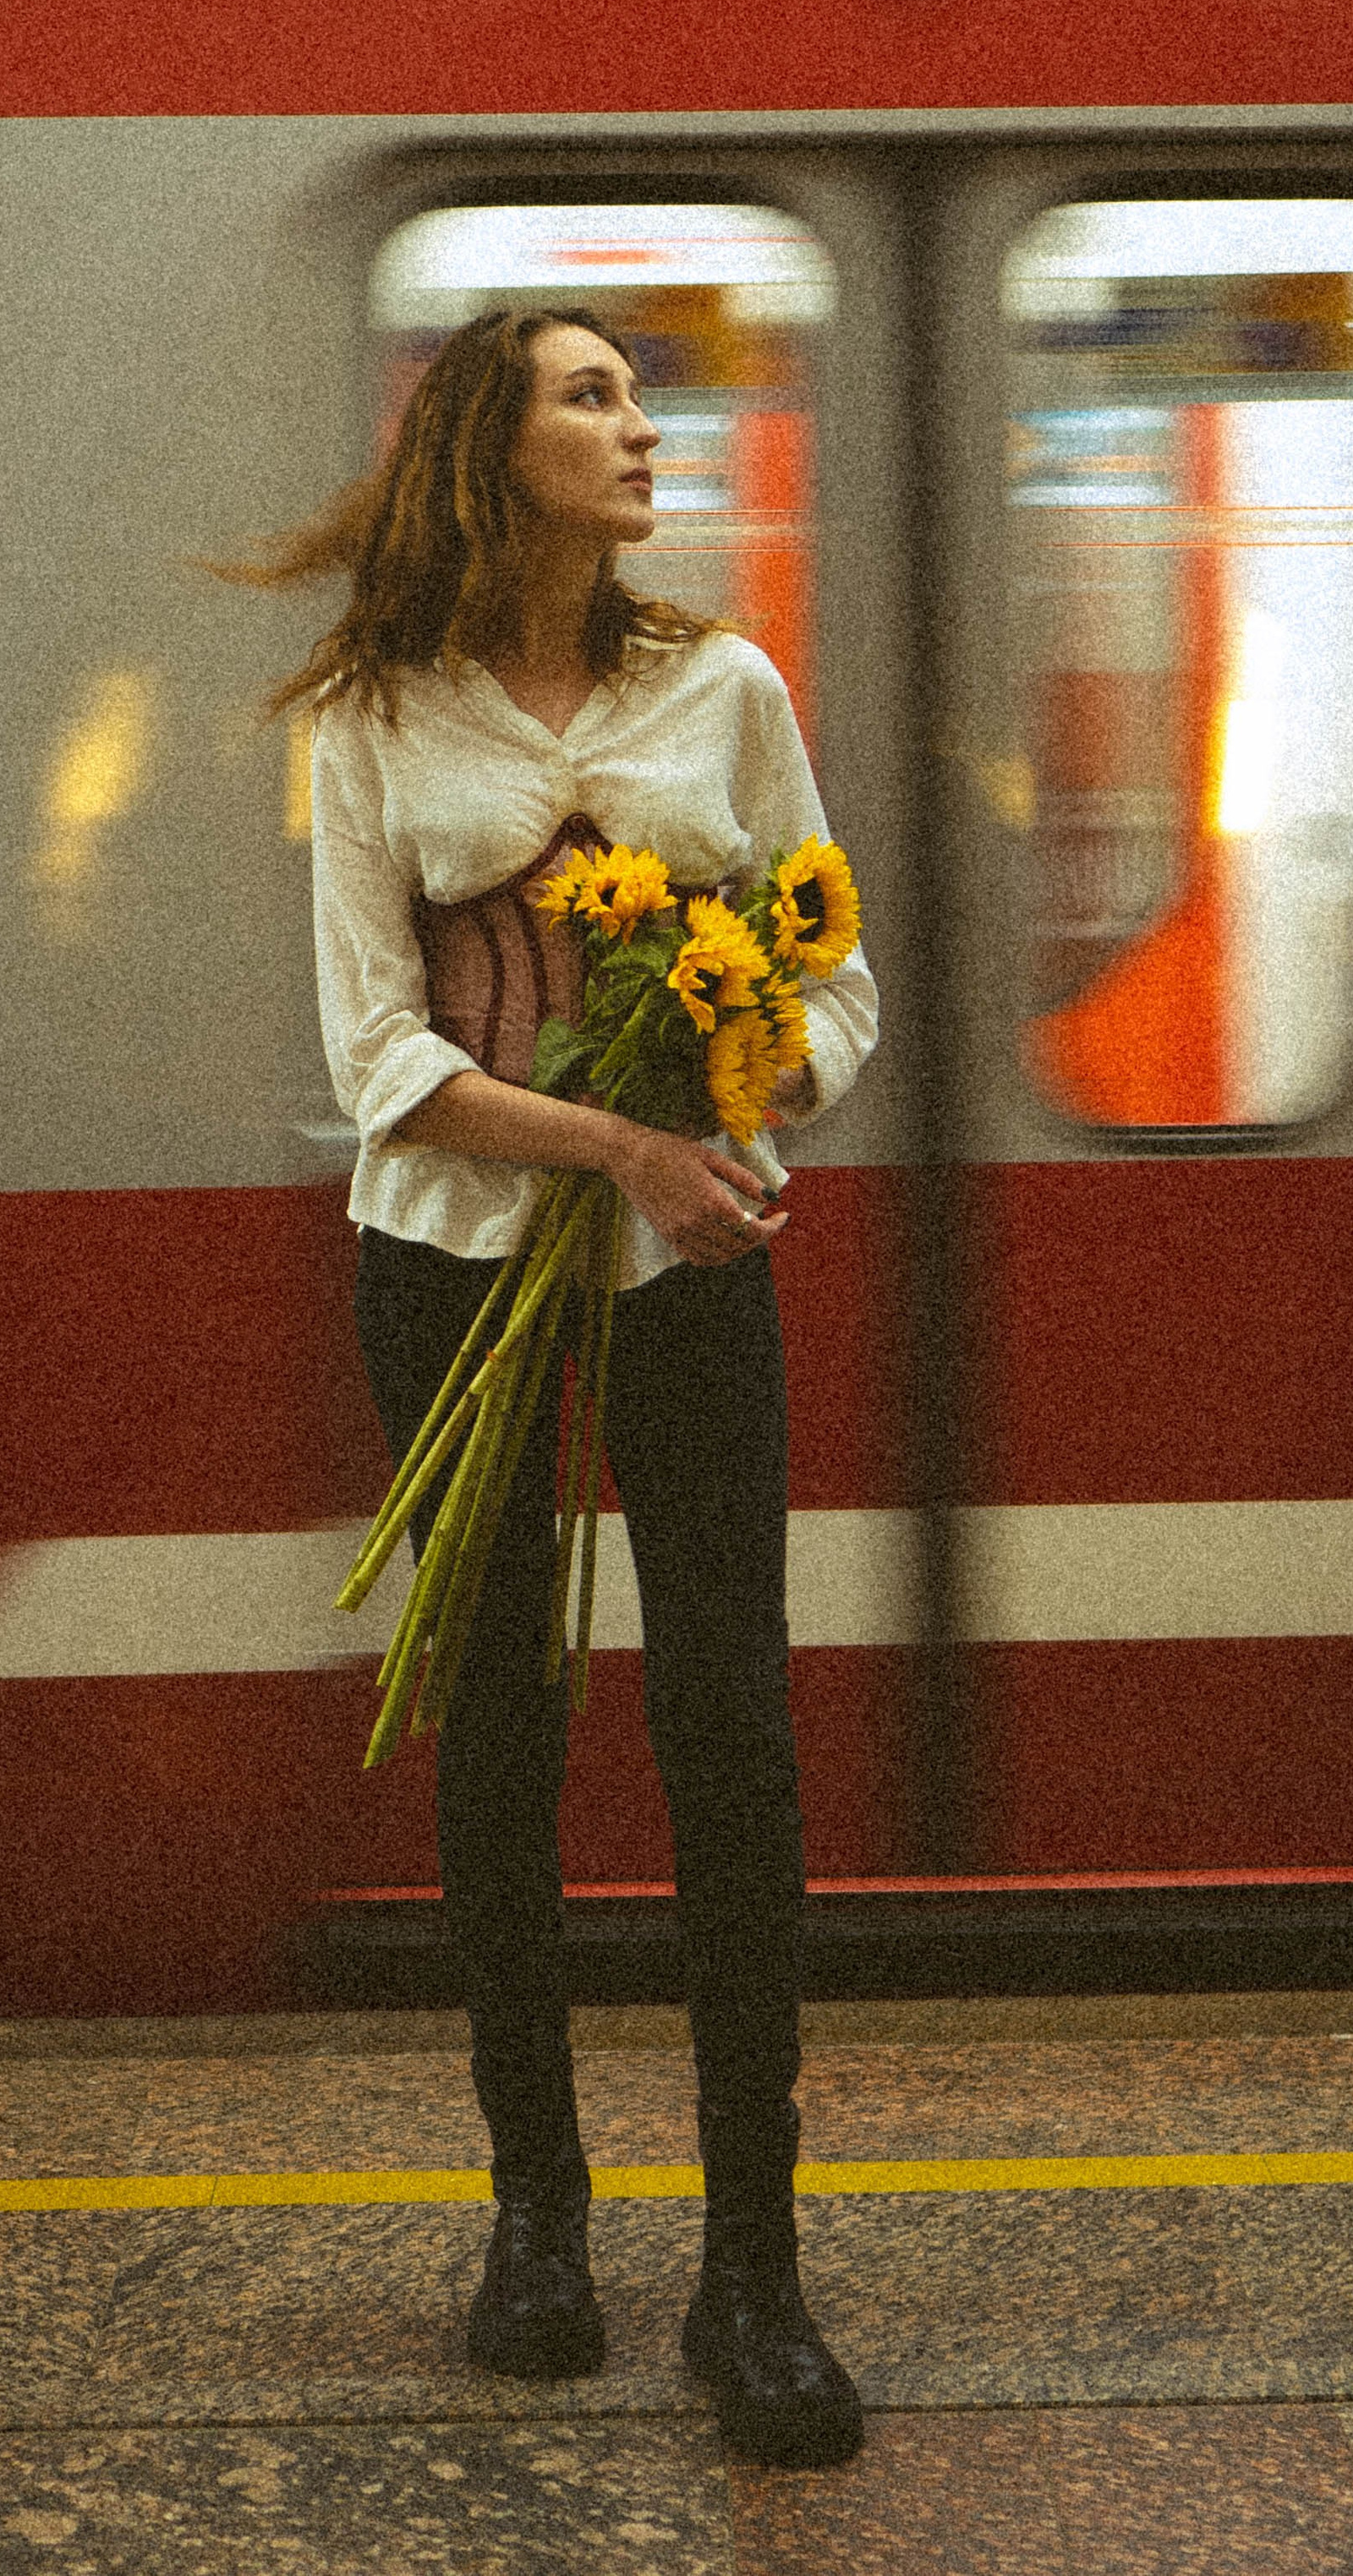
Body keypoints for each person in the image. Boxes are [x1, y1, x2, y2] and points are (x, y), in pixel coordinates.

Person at [218, 308, 879, 2469]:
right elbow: (382, 1064)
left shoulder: (727, 687)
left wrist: (741, 1078)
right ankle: (537, 2226)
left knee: (729, 1726)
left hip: (690, 1277)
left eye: (633, 397)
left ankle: (753, 2278)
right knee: (497, 1719)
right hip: (455, 1271)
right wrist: (622, 1140)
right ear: (488, 456)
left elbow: (829, 968)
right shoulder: (374, 721)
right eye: (589, 398)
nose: (638, 428)